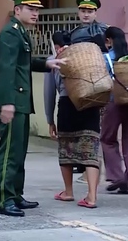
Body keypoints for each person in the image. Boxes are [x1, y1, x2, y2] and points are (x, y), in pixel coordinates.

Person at [0, 0, 66, 217]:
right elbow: (7, 69)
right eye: (30, 9)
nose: (35, 13)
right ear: (17, 9)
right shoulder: (10, 34)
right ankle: (4, 198)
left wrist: (46, 64)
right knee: (10, 151)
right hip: (13, 100)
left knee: (19, 151)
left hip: (21, 100)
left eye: (37, 9)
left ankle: (15, 193)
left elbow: (24, 63)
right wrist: (6, 102)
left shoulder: (20, 33)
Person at [45, 31, 102, 208]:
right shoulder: (87, 55)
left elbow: (49, 91)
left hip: (67, 105)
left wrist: (49, 119)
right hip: (90, 104)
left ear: (56, 45)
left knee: (66, 149)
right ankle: (91, 196)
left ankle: (68, 191)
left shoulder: (55, 58)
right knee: (91, 151)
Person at [66, 0, 109, 182]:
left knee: (97, 130)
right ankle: (87, 168)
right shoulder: (74, 33)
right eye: (83, 10)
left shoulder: (104, 31)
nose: (86, 14)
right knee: (83, 131)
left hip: (99, 84)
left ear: (96, 12)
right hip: (79, 86)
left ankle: (96, 170)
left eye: (90, 11)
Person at [101, 26, 128, 194]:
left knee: (107, 139)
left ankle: (117, 176)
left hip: (114, 103)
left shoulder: (106, 59)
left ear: (109, 41)